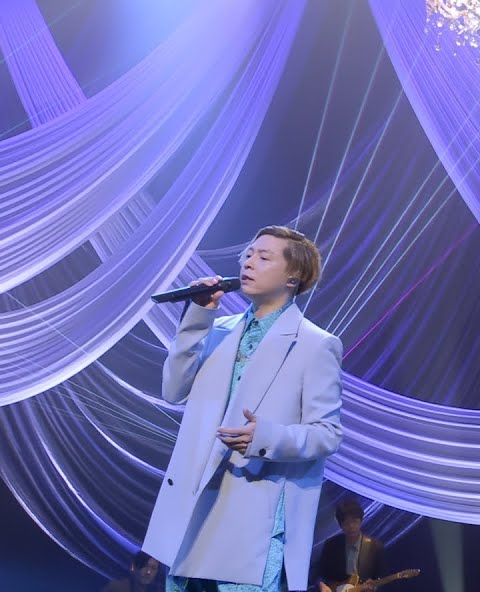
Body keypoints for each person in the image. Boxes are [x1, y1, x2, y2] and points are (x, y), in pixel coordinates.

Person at [142, 225, 345, 592]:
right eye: (248, 255)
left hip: (253, 514)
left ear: (293, 276)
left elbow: (327, 434)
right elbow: (174, 391)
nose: (249, 262)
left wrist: (264, 437)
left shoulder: (315, 344)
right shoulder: (217, 329)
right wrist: (197, 318)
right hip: (195, 506)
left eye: (264, 257)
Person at [309, 499, 387, 592]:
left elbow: (379, 577)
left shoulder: (375, 547)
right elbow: (320, 575)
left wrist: (374, 587)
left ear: (361, 521)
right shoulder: (331, 545)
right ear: (340, 524)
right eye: (346, 523)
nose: (351, 526)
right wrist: (322, 586)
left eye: (355, 521)